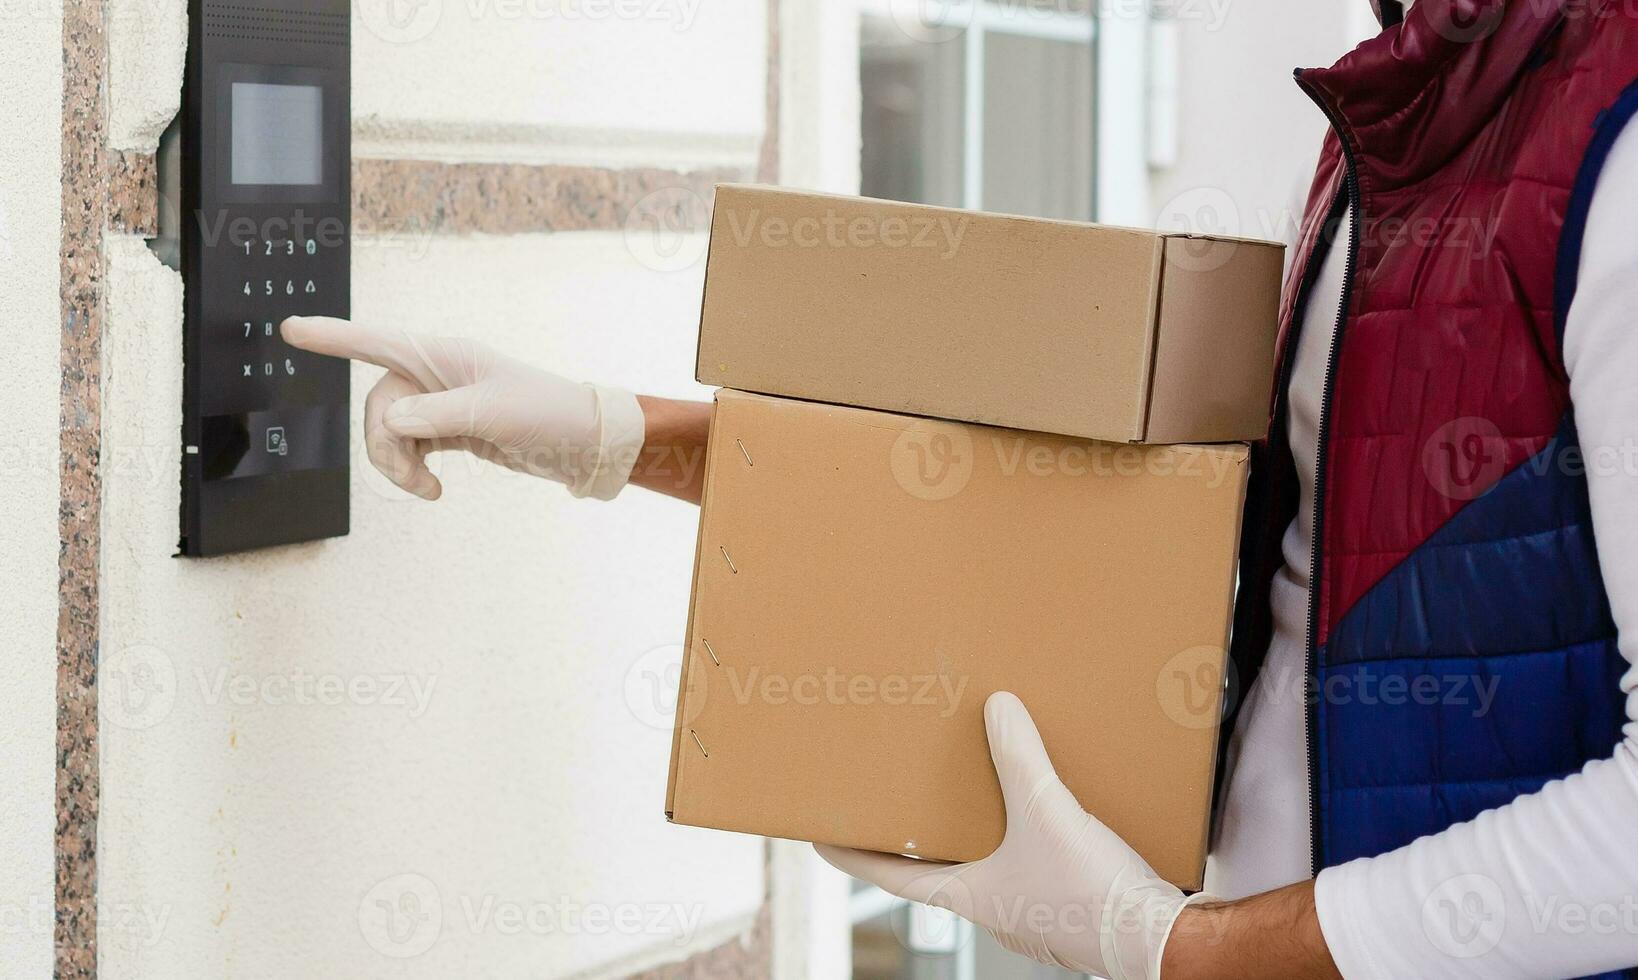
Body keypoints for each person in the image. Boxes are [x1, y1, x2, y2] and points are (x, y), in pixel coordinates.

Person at [282, 1, 1638, 975]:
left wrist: (1174, 950)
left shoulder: (1608, 144)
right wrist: (605, 435)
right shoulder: (1393, 125)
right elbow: (1132, 550)